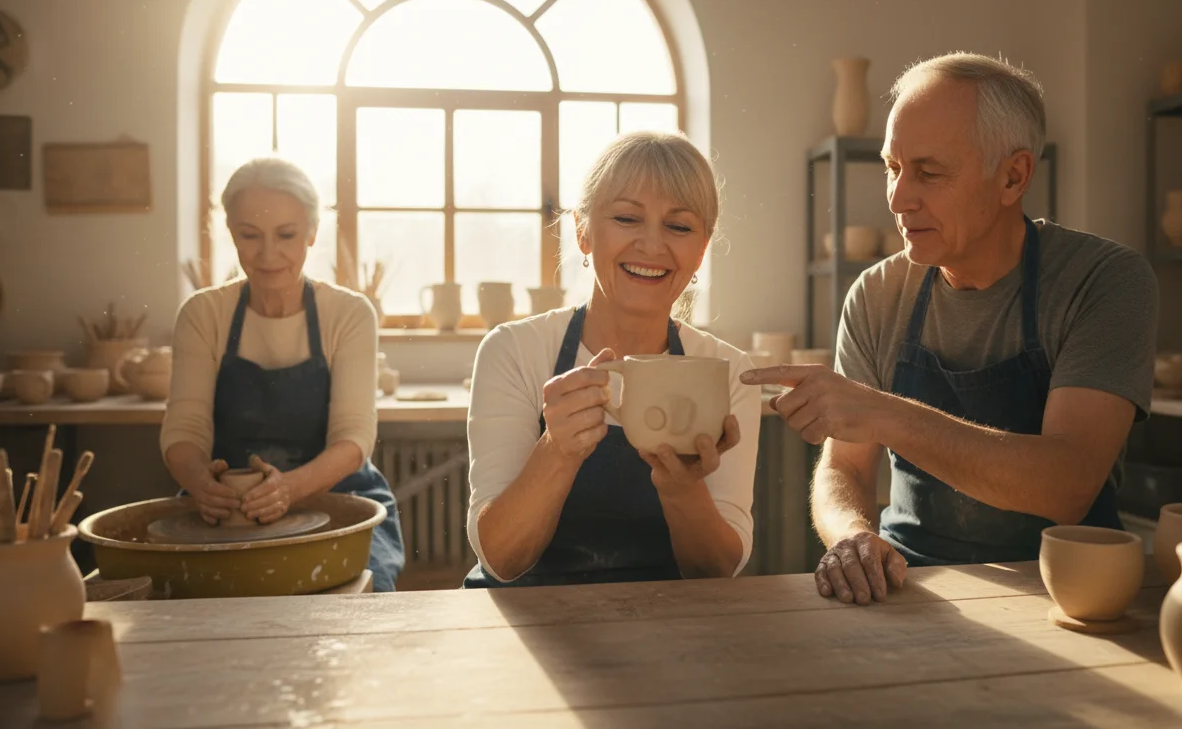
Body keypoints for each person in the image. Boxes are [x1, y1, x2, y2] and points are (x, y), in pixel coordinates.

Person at [743, 53, 1157, 604]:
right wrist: (852, 537)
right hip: (914, 587)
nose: (897, 198)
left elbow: (1068, 483)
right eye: (893, 167)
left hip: (1071, 590)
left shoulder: (1103, 281)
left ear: (1013, 176)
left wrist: (885, 413)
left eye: (929, 172)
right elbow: (843, 467)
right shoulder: (876, 295)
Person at [462, 131, 760, 588]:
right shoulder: (515, 351)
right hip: (526, 624)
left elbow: (716, 571)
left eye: (679, 227)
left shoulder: (730, 373)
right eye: (626, 218)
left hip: (668, 621)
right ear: (582, 231)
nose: (652, 245)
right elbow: (501, 559)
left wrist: (682, 488)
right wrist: (557, 451)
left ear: (702, 247)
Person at [160, 157, 404, 592]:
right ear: (231, 233)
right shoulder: (203, 313)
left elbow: (353, 438)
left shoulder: (348, 314)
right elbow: (185, 429)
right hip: (226, 501)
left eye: (286, 235)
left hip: (338, 494)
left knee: (356, 611)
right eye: (249, 236)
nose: (268, 254)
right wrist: (199, 481)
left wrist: (288, 490)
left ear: (312, 233)